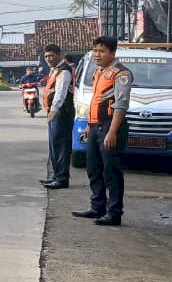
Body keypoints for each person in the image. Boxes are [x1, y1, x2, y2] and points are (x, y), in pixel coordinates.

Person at [73, 36, 132, 226]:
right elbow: (96, 102)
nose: (97, 55)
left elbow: (121, 105)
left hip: (110, 126)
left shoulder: (121, 74)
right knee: (93, 167)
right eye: (95, 51)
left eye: (102, 51)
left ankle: (114, 213)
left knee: (111, 170)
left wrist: (112, 132)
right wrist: (90, 126)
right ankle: (97, 206)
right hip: (96, 126)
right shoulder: (98, 72)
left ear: (112, 53)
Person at [40, 44, 75, 190]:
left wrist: (53, 110)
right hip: (54, 112)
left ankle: (61, 179)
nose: (48, 59)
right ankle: (56, 175)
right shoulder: (55, 70)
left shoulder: (64, 71)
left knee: (61, 146)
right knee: (54, 146)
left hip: (61, 112)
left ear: (59, 55)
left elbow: (60, 93)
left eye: (51, 56)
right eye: (46, 56)